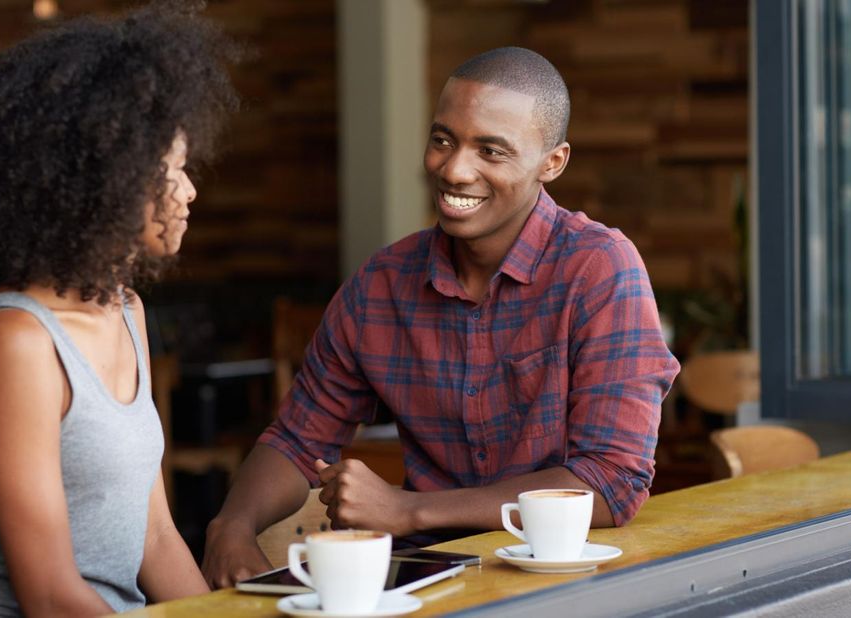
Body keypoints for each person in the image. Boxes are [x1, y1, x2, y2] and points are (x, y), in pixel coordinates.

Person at [203, 46, 680, 588]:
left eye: (491, 151)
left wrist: (410, 511)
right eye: (443, 140)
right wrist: (230, 526)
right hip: (430, 585)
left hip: (572, 583)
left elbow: (611, 481)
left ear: (552, 162)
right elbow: (296, 440)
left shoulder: (599, 269)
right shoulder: (381, 286)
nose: (454, 170)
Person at [0, 4, 239, 615]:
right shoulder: (16, 339)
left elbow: (157, 539)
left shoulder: (127, 312)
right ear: (103, 183)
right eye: (170, 169)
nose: (189, 189)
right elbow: (50, 597)